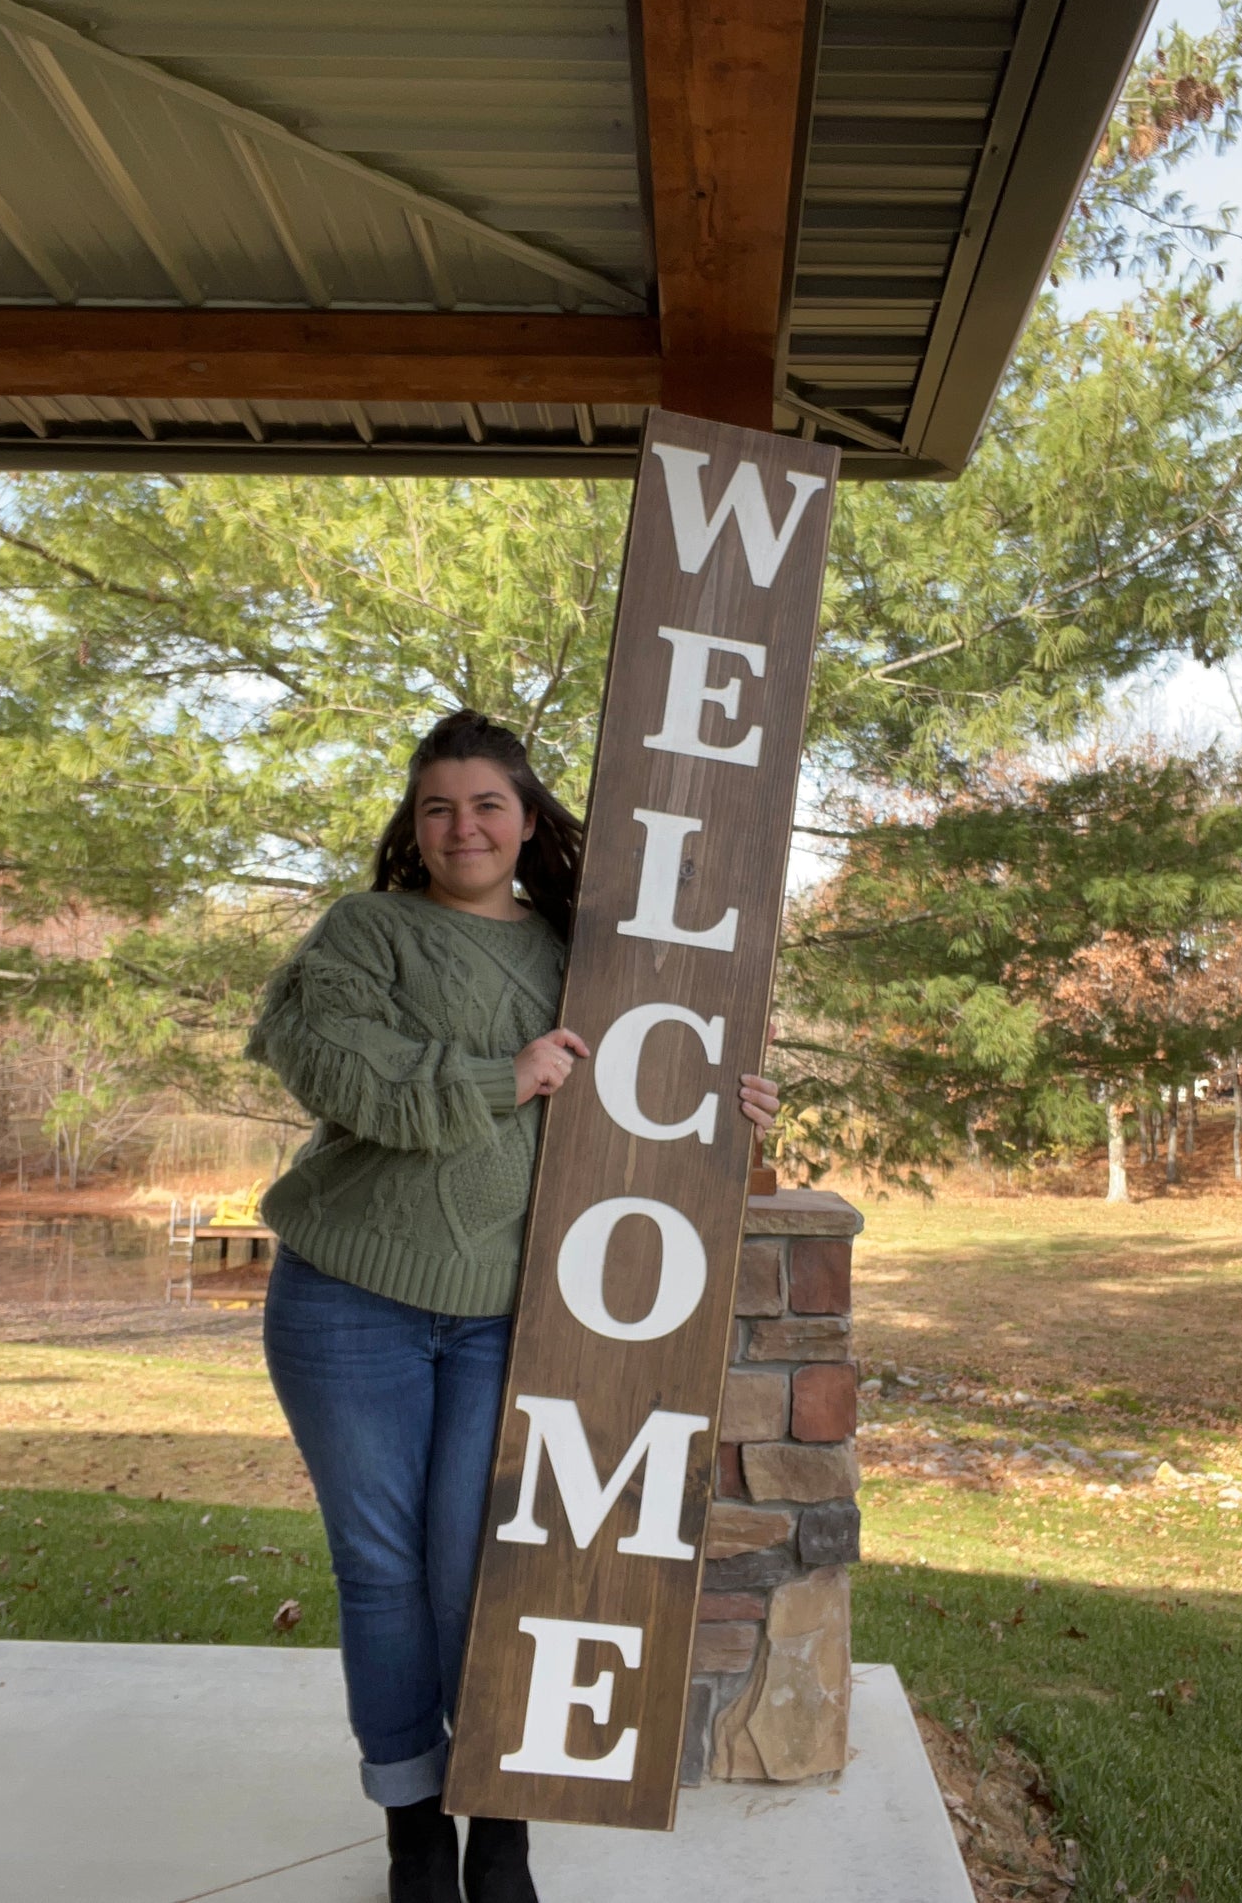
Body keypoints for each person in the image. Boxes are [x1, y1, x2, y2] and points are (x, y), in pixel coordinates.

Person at [246, 709, 780, 1903]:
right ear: (412, 826)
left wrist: (722, 1098)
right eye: (436, 807)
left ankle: (501, 1814)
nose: (461, 826)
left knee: (486, 1567)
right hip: (348, 1299)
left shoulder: (589, 952)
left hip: (510, 1312)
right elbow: (329, 1062)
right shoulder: (367, 930)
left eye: (485, 803)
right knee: (380, 1568)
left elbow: (659, 1071)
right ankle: (411, 1820)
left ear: (526, 818)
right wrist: (504, 1077)